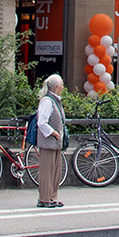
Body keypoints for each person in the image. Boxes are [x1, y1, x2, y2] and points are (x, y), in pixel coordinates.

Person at [34, 73, 67, 209]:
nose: (63, 88)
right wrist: (53, 132)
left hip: (55, 142)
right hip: (49, 141)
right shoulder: (47, 101)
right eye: (61, 86)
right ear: (56, 87)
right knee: (47, 171)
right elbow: (42, 122)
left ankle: (52, 197)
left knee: (55, 171)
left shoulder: (55, 100)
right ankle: (44, 198)